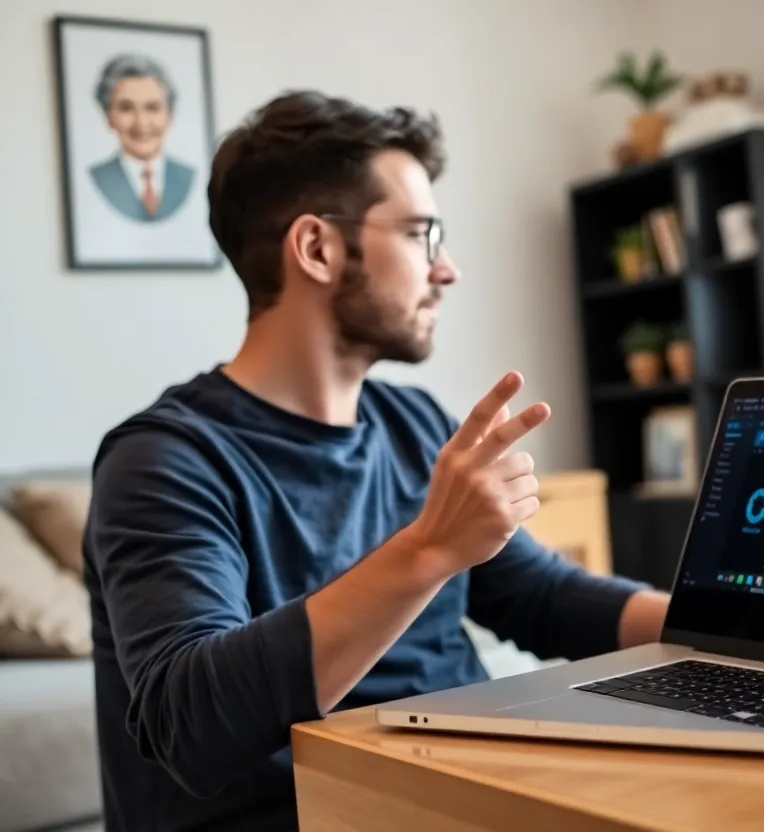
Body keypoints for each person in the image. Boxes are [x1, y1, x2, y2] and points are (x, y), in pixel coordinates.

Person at [82, 90, 670, 831]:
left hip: (464, 801)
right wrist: (428, 550)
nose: (447, 270)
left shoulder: (414, 424)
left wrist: (740, 622)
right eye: (422, 235)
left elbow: (542, 599)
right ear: (318, 248)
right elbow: (190, 723)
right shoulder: (165, 460)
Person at [89, 53, 195, 222]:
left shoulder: (188, 176)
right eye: (126, 108)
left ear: (169, 115)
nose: (141, 122)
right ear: (108, 116)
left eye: (152, 107)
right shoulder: (98, 177)